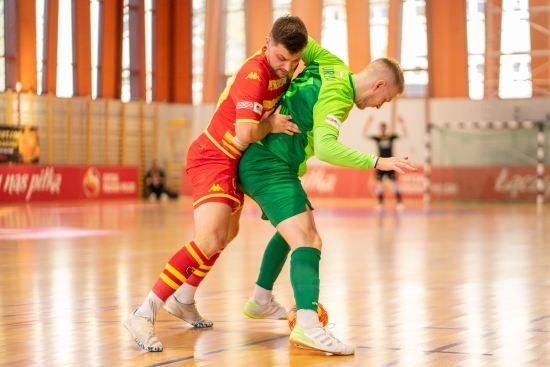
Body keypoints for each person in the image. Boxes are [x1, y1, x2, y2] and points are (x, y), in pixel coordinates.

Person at [124, 15, 311, 352]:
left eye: (293, 61)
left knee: (227, 234)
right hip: (213, 156)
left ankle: (184, 298)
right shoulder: (253, 76)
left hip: (233, 162)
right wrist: (270, 124)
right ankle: (143, 312)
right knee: (209, 238)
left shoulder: (289, 64)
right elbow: (245, 132)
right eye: (281, 58)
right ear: (267, 44)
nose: (286, 68)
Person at [237, 38, 416, 355]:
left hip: (269, 161)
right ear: (377, 84)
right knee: (308, 240)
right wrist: (378, 161)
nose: (379, 106)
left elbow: (296, 38)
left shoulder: (331, 63)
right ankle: (308, 325)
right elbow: (328, 148)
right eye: (384, 99)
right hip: (268, 165)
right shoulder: (339, 96)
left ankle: (261, 299)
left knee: (294, 229)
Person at [363, 115, 407, 210]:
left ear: (385, 128)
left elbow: (404, 134)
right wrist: (368, 122)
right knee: (379, 185)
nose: (382, 129)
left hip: (390, 164)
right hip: (380, 164)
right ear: (380, 129)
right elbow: (364, 134)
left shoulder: (390, 137)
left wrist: (402, 123)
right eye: (381, 128)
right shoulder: (378, 138)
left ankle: (399, 203)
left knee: (394, 184)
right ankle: (380, 204)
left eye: (384, 128)